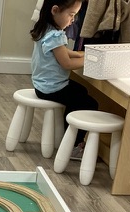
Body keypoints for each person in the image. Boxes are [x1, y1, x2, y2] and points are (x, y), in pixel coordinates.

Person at [30, 0, 100, 161]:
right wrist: (89, 60)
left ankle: (67, 136)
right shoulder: (55, 35)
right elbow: (67, 64)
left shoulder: (45, 29)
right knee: (90, 104)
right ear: (55, 10)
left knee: (81, 91)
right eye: (71, 15)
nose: (73, 20)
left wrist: (79, 54)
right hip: (53, 88)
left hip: (42, 85)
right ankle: (74, 146)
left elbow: (61, 51)